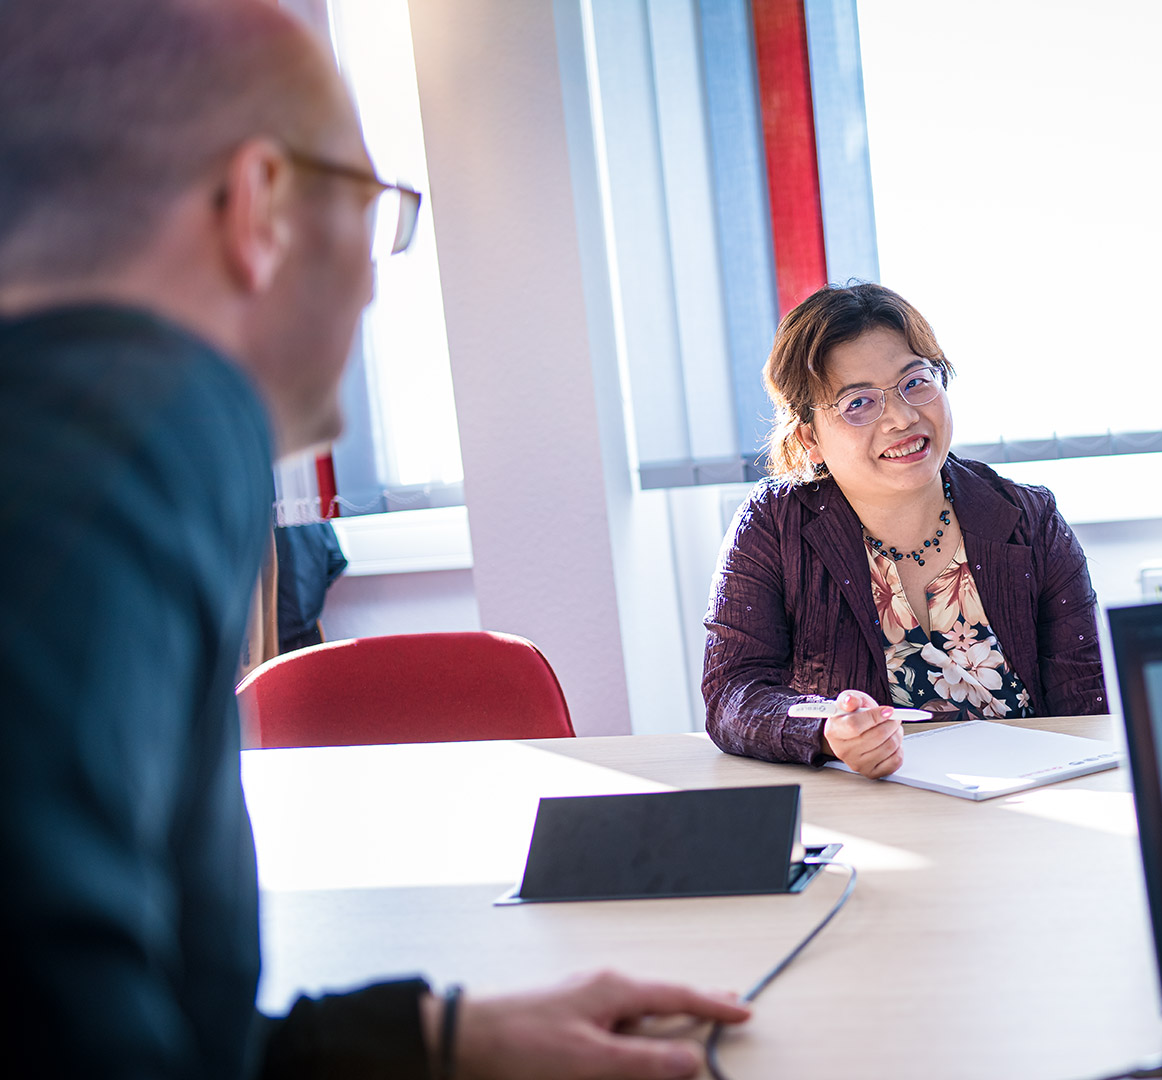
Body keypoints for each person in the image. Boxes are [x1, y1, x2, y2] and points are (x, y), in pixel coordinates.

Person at [0, 2, 747, 1076]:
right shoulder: (149, 413)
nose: (374, 274)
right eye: (374, 206)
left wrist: (437, 1039)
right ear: (257, 208)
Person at [702, 283, 1106, 778]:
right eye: (858, 403)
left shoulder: (1030, 521)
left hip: (1026, 808)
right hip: (870, 819)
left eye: (915, 382)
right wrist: (826, 733)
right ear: (810, 438)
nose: (902, 417)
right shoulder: (773, 525)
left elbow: (1087, 708)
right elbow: (733, 693)